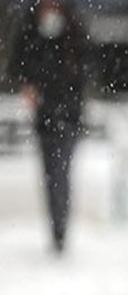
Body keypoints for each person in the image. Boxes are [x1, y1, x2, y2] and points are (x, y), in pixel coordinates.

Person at [8, 0, 88, 254]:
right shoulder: (30, 28)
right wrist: (28, 85)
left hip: (68, 115)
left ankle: (60, 228)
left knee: (60, 172)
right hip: (45, 117)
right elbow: (18, 64)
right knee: (52, 173)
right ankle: (57, 227)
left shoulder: (74, 29)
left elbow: (86, 70)